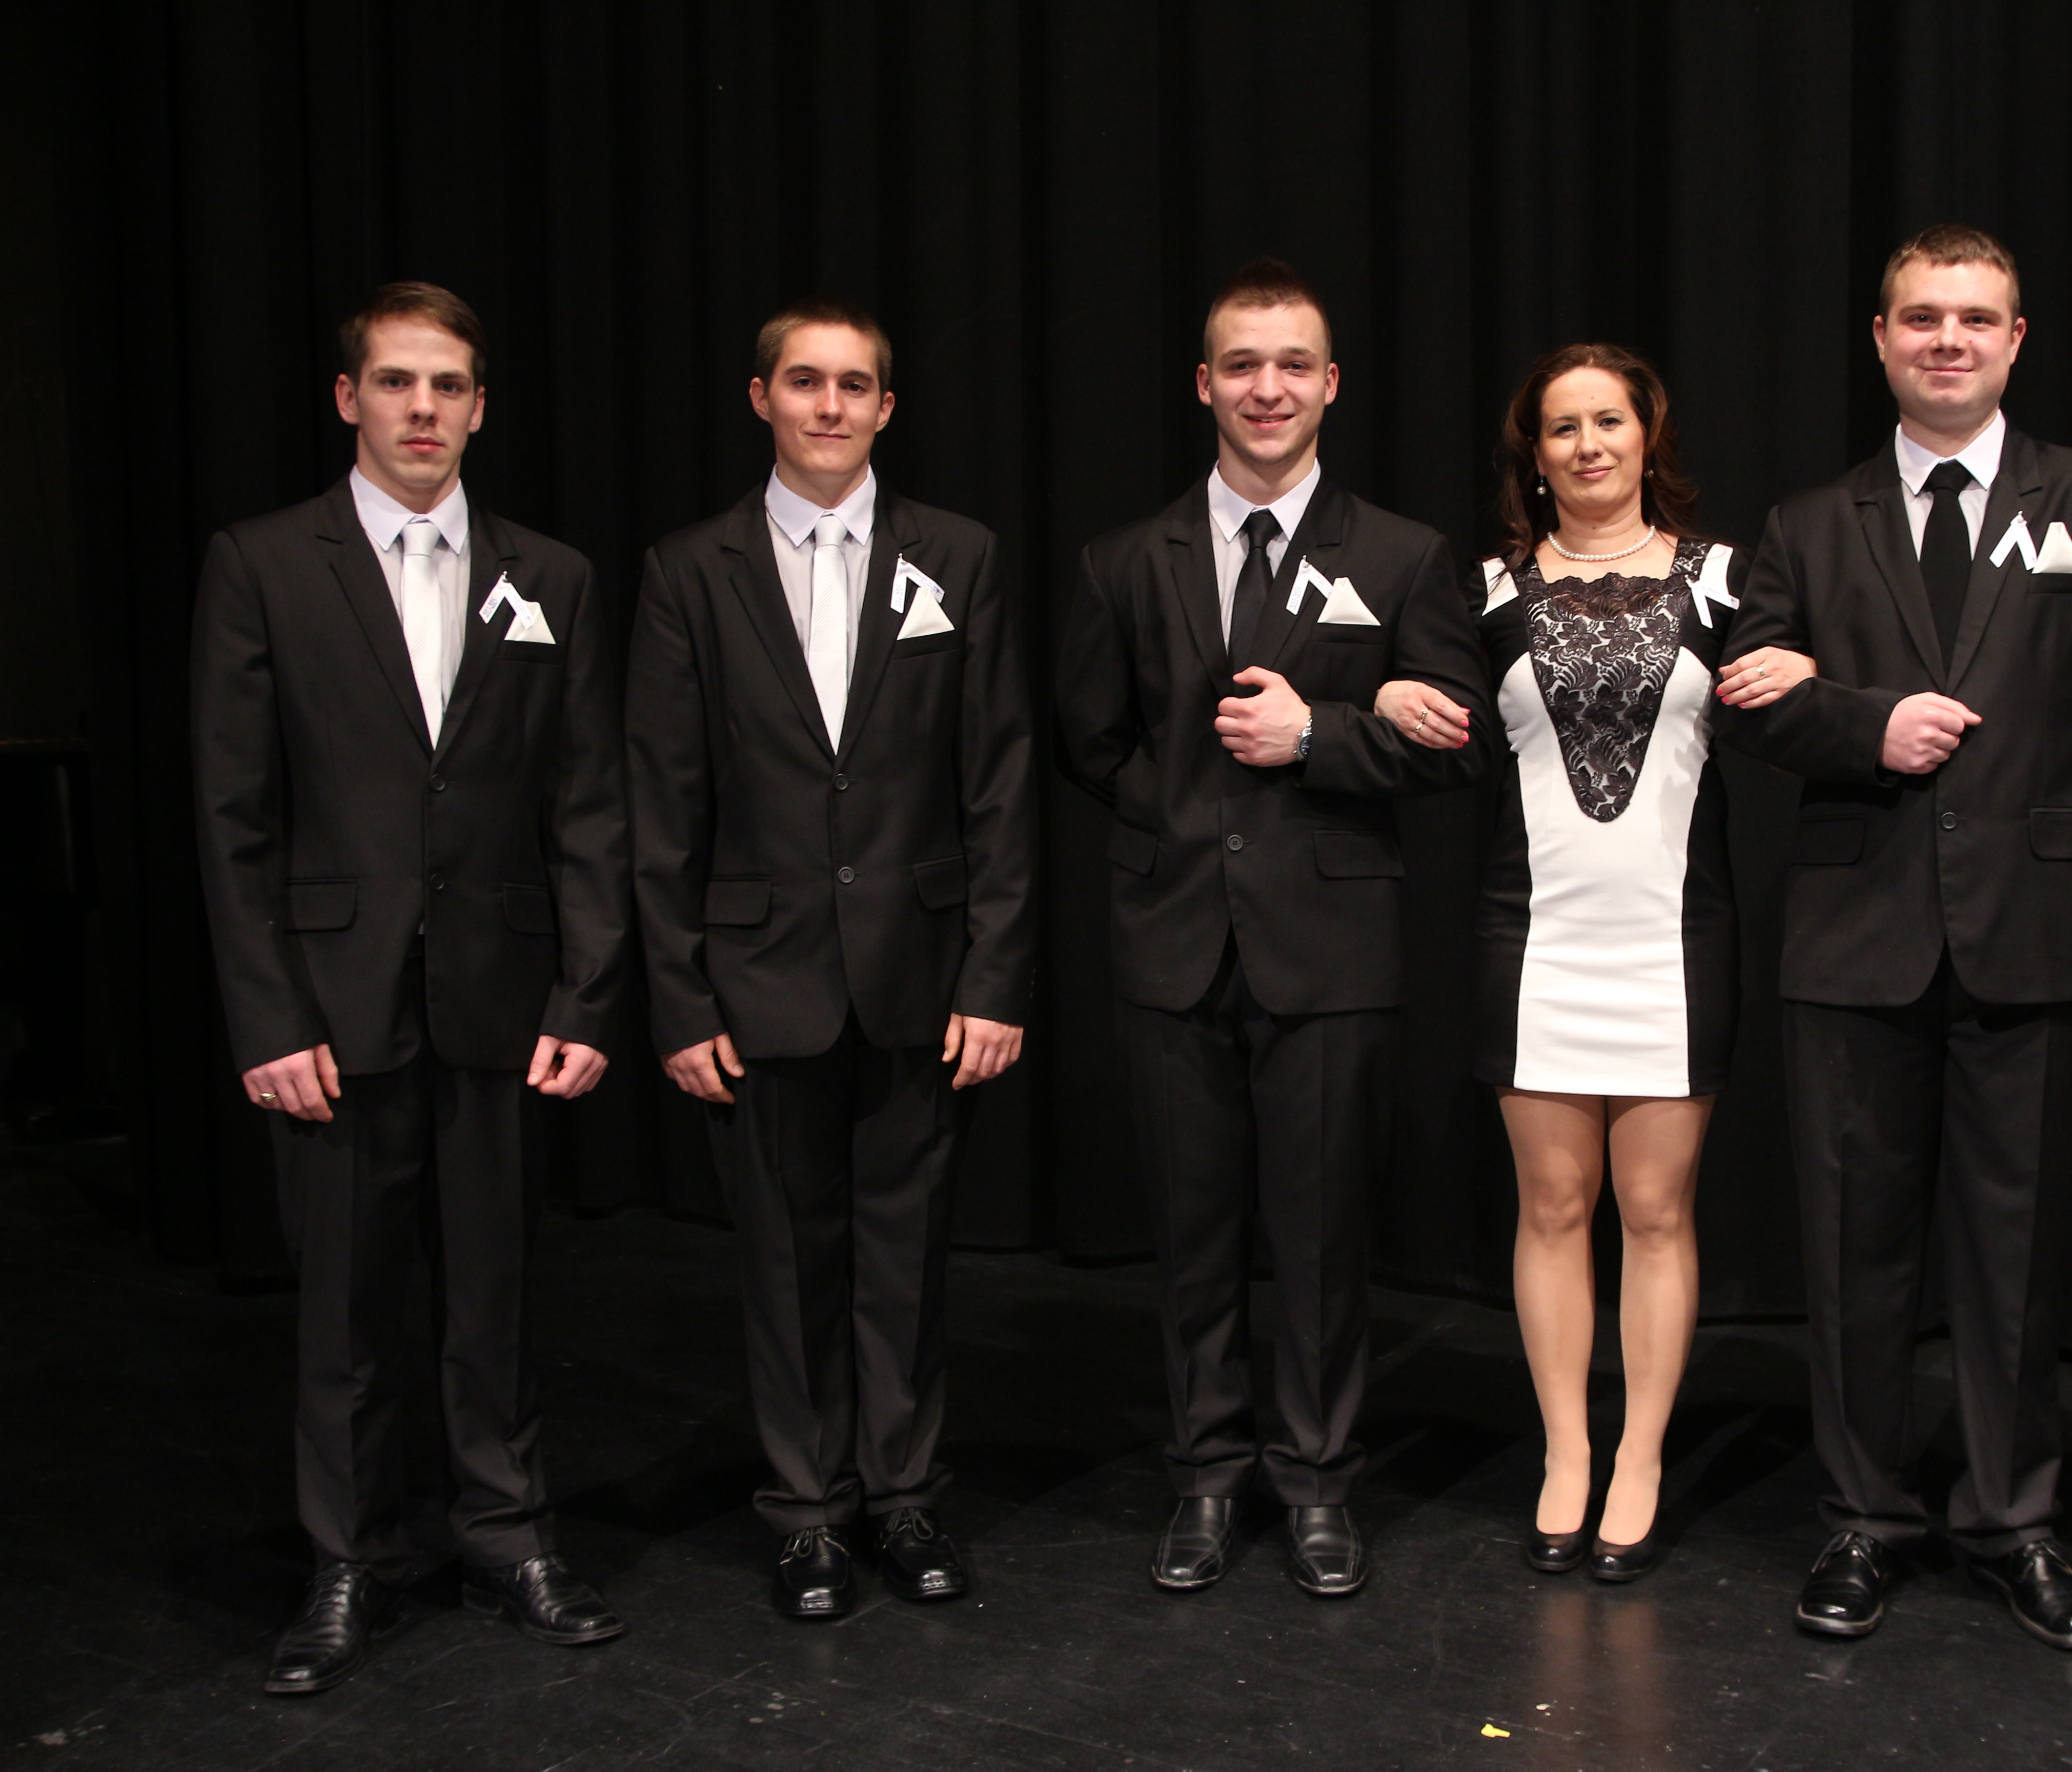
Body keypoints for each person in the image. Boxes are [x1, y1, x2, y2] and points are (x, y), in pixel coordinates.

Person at [1716, 224, 2072, 1649]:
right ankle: (1865, 1518)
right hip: (1857, 934)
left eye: (1975, 318)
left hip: (2038, 932)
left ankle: (2012, 1521)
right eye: (1922, 316)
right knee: (1853, 1249)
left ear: (2016, 339)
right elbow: (1750, 700)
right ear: (1879, 338)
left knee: (2017, 1253)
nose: (1948, 340)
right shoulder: (1810, 522)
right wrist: (1869, 725)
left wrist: (2065, 844)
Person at [190, 282, 633, 1694]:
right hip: (331, 1009)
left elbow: (588, 805)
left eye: (448, 386)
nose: (423, 409)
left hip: (504, 1001)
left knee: (495, 1298)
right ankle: (350, 1560)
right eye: (396, 382)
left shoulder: (552, 576)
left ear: (481, 406)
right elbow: (232, 816)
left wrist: (586, 994)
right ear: (349, 399)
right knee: (345, 1311)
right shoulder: (265, 563)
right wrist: (269, 1016)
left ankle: (508, 1536)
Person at [1054, 258, 1490, 1597]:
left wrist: (1325, 737)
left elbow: (1459, 742)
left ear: (1332, 383)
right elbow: (1090, 741)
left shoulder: (1403, 556)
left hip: (1332, 947)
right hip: (1173, 937)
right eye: (1242, 364)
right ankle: (1204, 1475)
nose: (1268, 387)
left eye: (1293, 363)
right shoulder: (1123, 561)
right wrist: (1184, 819)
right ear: (1205, 383)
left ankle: (1314, 1483)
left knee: (1319, 1236)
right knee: (1192, 1235)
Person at [627, 300, 1037, 1621]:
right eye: (805, 382)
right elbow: (662, 803)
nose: (829, 406)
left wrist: (994, 976)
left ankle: (903, 1496)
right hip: (758, 979)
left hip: (921, 972)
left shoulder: (958, 556)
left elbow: (998, 780)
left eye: (854, 386)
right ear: (762, 398)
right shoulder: (689, 570)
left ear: (885, 409)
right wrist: (679, 998)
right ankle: (807, 1512)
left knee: (906, 1260)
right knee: (786, 1263)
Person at [1377, 344, 1800, 1581]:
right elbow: (1438, 720)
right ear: (1535, 455)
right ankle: (1567, 1452)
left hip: (1677, 943)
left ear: (1646, 436)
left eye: (1608, 421)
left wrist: (1809, 671)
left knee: (1657, 1212)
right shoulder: (1485, 591)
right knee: (1554, 1208)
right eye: (1562, 428)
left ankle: (1641, 1458)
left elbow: (1797, 705)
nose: (1588, 445)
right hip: (1535, 943)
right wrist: (1393, 701)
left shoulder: (1726, 582)